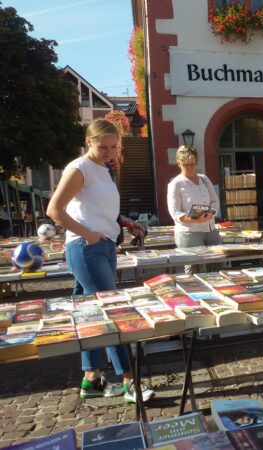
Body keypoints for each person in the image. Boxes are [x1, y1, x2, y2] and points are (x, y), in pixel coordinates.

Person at [46, 119, 154, 403]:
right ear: (88, 141)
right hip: (86, 248)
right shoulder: (79, 168)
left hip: (101, 246)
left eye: (113, 146)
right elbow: (54, 210)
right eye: (102, 146)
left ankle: (91, 379)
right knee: (114, 310)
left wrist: (124, 222)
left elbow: (95, 210)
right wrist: (89, 236)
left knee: (90, 313)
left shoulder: (103, 170)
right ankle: (130, 381)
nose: (108, 151)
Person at [167, 146, 220, 273]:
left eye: (192, 164)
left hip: (210, 229)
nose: (190, 168)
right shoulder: (176, 184)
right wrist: (193, 219)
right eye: (186, 165)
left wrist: (210, 213)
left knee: (217, 266)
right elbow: (175, 212)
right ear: (179, 164)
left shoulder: (204, 179)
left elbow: (215, 201)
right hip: (189, 232)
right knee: (196, 270)